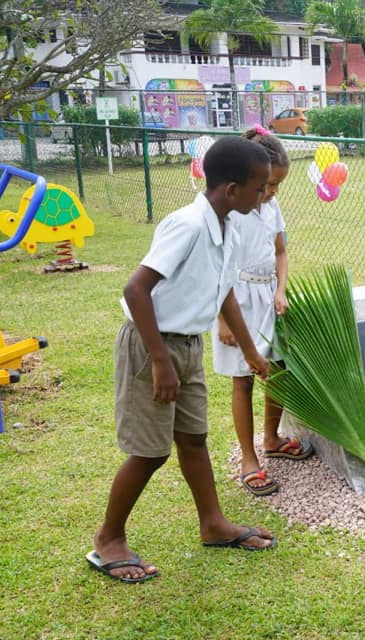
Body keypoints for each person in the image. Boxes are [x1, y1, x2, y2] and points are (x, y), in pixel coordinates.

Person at [87, 136, 278, 584]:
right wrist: (159, 360)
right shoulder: (189, 225)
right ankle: (108, 539)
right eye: (260, 187)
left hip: (188, 345)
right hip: (152, 345)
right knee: (150, 452)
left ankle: (213, 524)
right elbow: (136, 289)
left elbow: (224, 289)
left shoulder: (229, 224)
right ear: (231, 188)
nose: (266, 194)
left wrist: (251, 351)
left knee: (193, 439)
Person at [212, 126, 312, 498]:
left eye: (278, 187)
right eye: (268, 184)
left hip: (269, 296)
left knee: (279, 371)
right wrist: (222, 316)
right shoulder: (231, 209)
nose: (271, 193)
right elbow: (217, 264)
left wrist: (281, 289)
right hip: (235, 299)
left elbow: (281, 252)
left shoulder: (272, 207)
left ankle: (271, 438)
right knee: (243, 378)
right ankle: (248, 459)